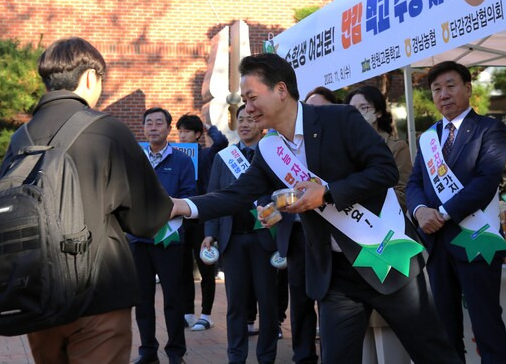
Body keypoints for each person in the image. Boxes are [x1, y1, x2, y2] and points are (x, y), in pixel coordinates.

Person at [172, 53, 460, 364]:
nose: (248, 108)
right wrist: (182, 206)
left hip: (386, 255)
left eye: (252, 97)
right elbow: (234, 195)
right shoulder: (270, 150)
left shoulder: (340, 119)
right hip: (334, 275)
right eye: (245, 100)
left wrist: (327, 193)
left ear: (281, 90)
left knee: (434, 355)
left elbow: (385, 170)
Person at [14, 37, 173, 364]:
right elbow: (147, 220)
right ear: (89, 78)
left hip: (38, 292)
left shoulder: (21, 137)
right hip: (98, 292)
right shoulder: (107, 130)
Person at [407, 61, 506, 363]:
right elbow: (414, 182)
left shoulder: (489, 129)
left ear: (468, 88)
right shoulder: (428, 137)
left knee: (486, 326)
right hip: (437, 246)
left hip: (477, 239)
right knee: (444, 331)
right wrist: (420, 211)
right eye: (437, 89)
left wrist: (442, 213)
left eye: (450, 86)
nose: (443, 94)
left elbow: (486, 182)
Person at [202, 104, 280, 364]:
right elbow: (214, 196)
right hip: (232, 239)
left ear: (261, 123)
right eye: (241, 120)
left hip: (265, 239)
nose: (245, 124)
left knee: (268, 302)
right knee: (235, 303)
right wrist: (210, 233)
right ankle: (236, 356)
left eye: (250, 119)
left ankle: (266, 356)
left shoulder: (273, 155)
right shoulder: (225, 157)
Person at [129, 107, 196, 364]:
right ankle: (147, 351)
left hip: (169, 238)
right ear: (144, 128)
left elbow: (191, 196)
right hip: (139, 239)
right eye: (149, 123)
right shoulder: (135, 161)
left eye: (159, 123)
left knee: (173, 299)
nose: (154, 127)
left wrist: (170, 208)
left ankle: (175, 352)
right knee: (143, 300)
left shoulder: (182, 161)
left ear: (169, 129)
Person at [176, 114, 228, 330]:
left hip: (203, 216)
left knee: (207, 266)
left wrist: (209, 126)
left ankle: (206, 314)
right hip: (182, 217)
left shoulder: (206, 155)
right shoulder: (176, 157)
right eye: (179, 131)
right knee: (184, 267)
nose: (181, 135)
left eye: (186, 131)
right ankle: (188, 312)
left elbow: (222, 143)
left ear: (197, 134)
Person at [344, 85, 412, 211]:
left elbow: (403, 193)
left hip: (384, 221)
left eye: (364, 108)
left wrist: (367, 208)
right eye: (352, 110)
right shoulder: (343, 148)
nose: (357, 114)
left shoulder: (396, 147)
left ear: (379, 112)